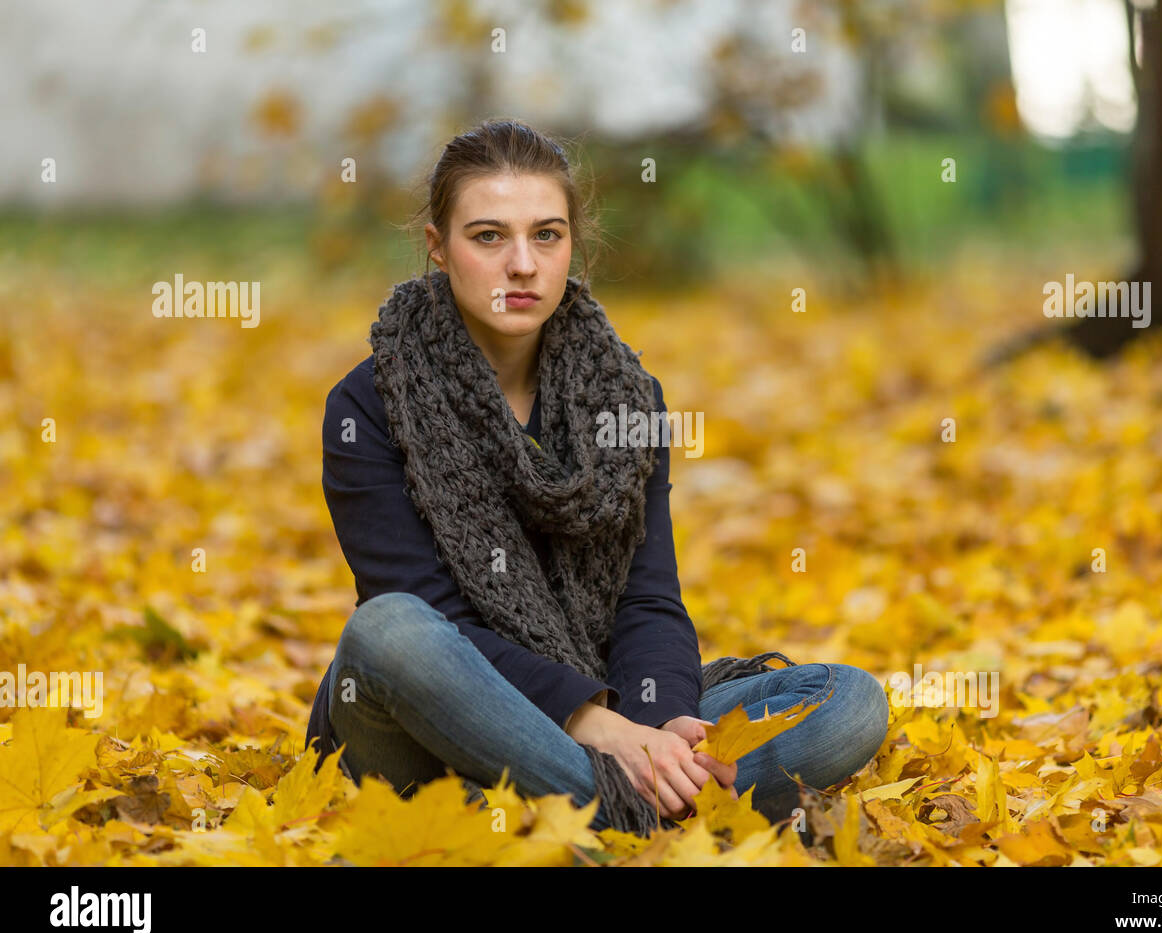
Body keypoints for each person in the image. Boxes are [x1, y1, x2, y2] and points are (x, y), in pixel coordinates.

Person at [303, 118, 890, 839]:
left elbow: (648, 595)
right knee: (386, 632)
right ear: (438, 247)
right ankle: (643, 821)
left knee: (848, 701)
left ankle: (585, 818)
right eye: (489, 237)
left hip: (608, 704)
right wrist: (601, 729)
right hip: (426, 736)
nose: (522, 264)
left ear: (572, 244)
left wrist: (661, 723)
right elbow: (434, 620)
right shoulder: (369, 406)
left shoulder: (628, 398)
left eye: (546, 235)